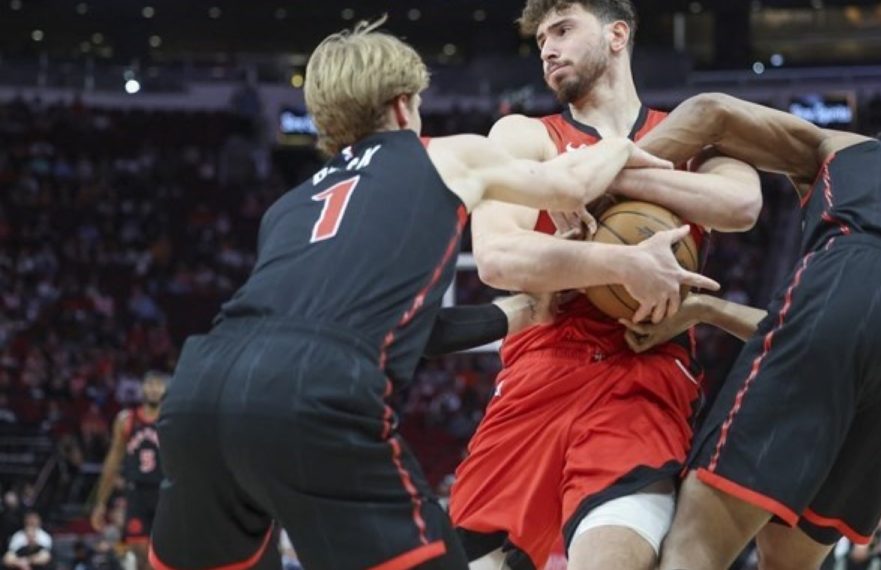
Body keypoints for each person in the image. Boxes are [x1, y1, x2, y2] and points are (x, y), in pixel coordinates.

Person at [146, 19, 708, 570]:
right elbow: (572, 185)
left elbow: (404, 327)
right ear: (401, 105)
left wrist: (520, 313)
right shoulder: (445, 153)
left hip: (197, 392)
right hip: (312, 390)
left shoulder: (289, 206)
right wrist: (616, 146)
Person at [448, 1, 762, 569]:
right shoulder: (525, 135)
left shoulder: (693, 138)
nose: (548, 48)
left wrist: (597, 176)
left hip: (645, 368)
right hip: (538, 369)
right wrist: (621, 264)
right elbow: (497, 258)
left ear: (617, 35)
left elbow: (741, 203)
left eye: (564, 30)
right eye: (542, 38)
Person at [616, 93, 881, 569]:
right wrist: (704, 309)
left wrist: (603, 187)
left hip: (859, 277)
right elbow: (823, 325)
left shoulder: (862, 151)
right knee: (789, 561)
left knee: (696, 544)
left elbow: (712, 112)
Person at [90, 371, 168, 570]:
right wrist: (100, 502)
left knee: (163, 556)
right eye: (150, 384)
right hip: (137, 492)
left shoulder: (172, 419)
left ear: (166, 389)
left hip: (165, 492)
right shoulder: (127, 420)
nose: (153, 389)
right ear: (142, 388)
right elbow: (112, 461)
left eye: (158, 385)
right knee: (139, 554)